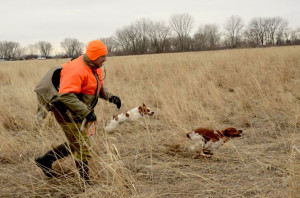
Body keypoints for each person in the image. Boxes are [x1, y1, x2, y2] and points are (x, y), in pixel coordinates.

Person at [35, 40, 121, 184]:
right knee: (82, 144)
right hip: (63, 109)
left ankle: (45, 160)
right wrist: (87, 112)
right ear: (94, 56)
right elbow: (65, 95)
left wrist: (110, 97)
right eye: (102, 56)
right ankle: (85, 182)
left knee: (76, 142)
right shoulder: (76, 70)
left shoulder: (96, 67)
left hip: (78, 108)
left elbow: (96, 86)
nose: (105, 59)